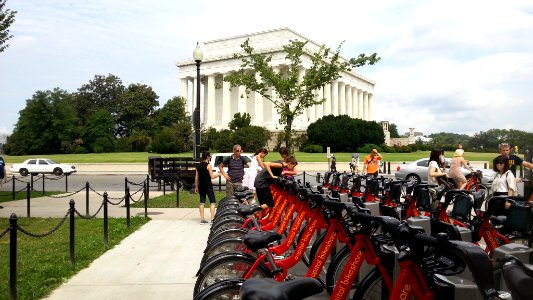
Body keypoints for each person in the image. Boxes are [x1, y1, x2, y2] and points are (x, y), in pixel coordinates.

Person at [195, 151, 221, 224]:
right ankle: (212, 219)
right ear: (207, 157)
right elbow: (212, 176)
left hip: (201, 185)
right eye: (209, 156)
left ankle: (202, 219)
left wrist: (196, 187)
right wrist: (218, 174)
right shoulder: (208, 165)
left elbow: (196, 178)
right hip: (208, 185)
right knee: (212, 201)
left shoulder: (198, 166)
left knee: (202, 202)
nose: (210, 158)